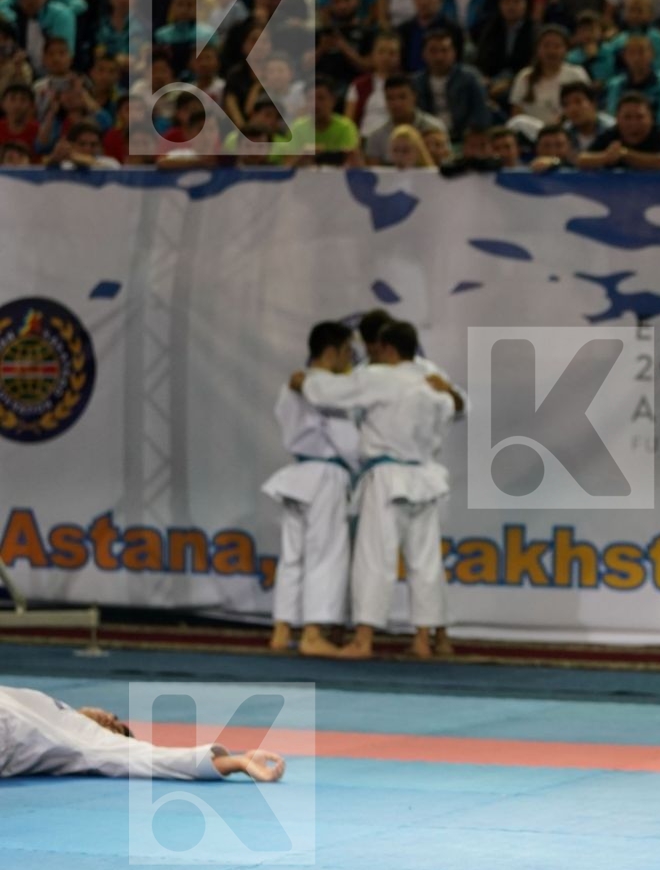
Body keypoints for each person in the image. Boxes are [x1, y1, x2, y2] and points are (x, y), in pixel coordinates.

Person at [297, 321, 460, 660]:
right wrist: (451, 393)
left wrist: (307, 380)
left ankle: (364, 640)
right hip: (424, 478)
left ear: (387, 349)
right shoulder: (432, 382)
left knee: (375, 559)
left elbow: (330, 393)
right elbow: (456, 407)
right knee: (426, 562)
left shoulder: (380, 377)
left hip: (388, 477)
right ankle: (425, 640)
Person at [262, 321, 360, 658]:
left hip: (298, 474)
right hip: (326, 476)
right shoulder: (329, 388)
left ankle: (282, 630)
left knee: (293, 556)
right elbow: (348, 442)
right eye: (347, 351)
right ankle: (314, 633)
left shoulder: (291, 386)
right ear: (331, 352)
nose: (350, 358)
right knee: (325, 554)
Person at [0, 686, 285, 781]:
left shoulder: (92, 740)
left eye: (115, 726)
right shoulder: (49, 704)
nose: (110, 718)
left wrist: (237, 762)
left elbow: (152, 758)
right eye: (115, 718)